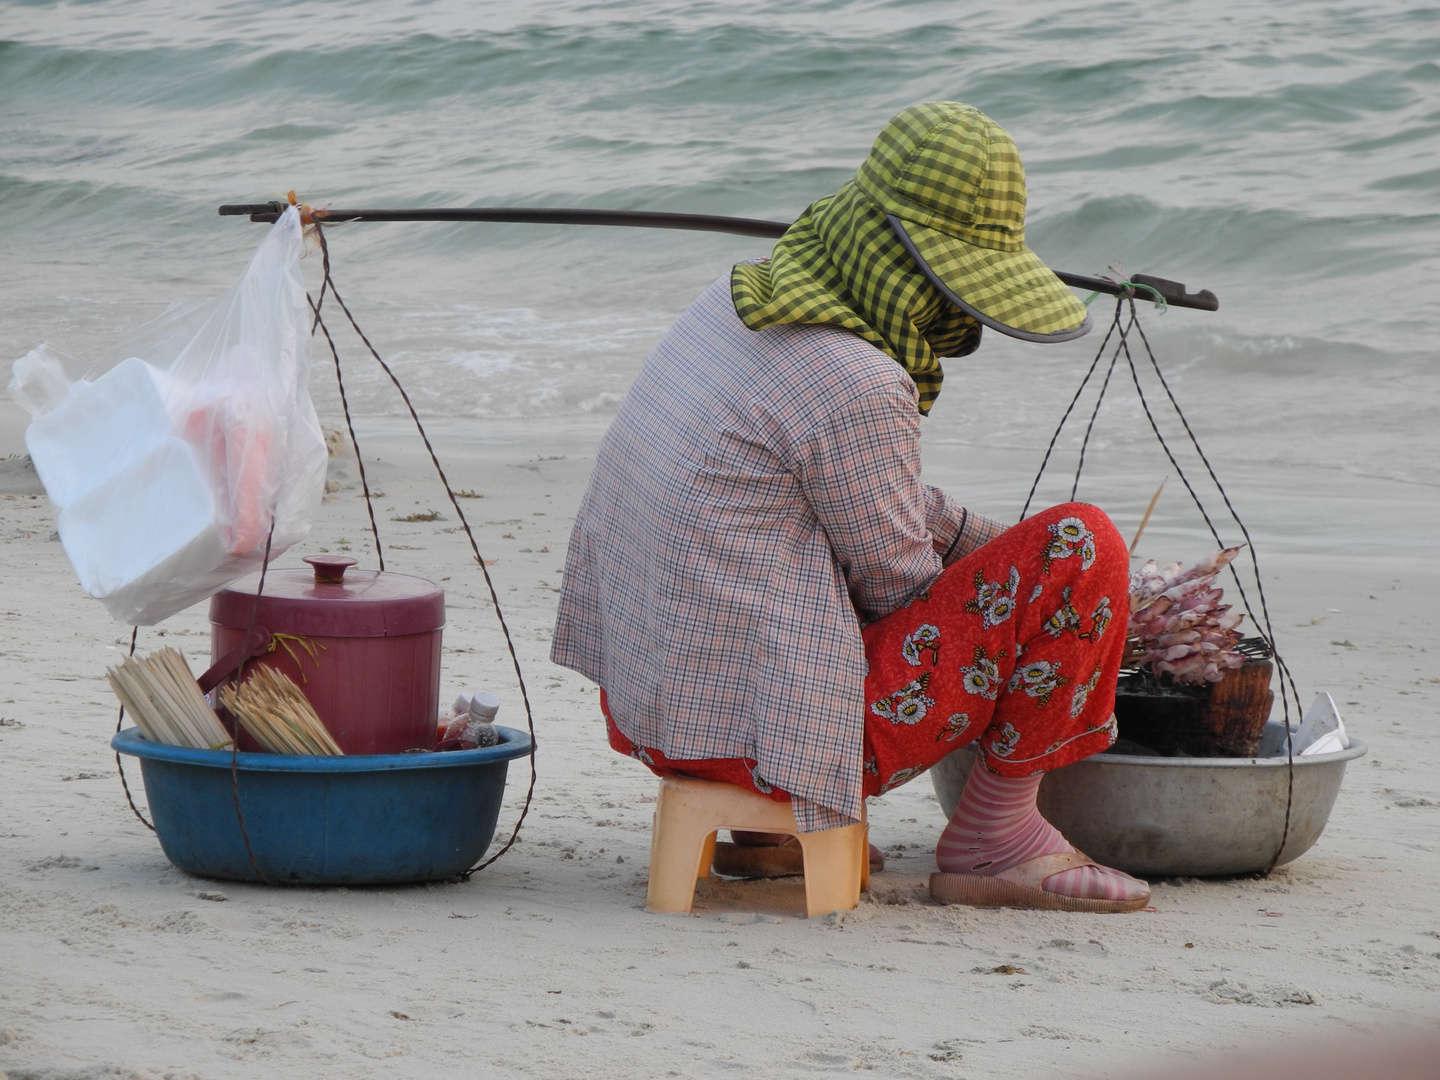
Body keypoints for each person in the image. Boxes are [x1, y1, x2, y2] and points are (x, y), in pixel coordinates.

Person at [551, 101, 1149, 912]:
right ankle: (995, 836)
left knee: (989, 554)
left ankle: (764, 834)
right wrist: (1045, 587)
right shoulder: (856, 381)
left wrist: (992, 545)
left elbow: (847, 495)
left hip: (660, 701)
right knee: (1087, 547)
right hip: (758, 729)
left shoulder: (737, 303)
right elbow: (896, 589)